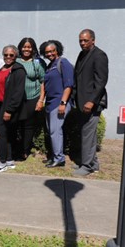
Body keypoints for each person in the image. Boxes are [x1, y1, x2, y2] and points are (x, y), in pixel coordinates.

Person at [72, 29, 108, 176]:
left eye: (85, 40)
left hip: (92, 103)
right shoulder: (83, 54)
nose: (82, 43)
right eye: (80, 40)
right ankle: (93, 163)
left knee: (87, 134)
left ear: (93, 40)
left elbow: (101, 81)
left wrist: (91, 101)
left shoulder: (99, 55)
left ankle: (86, 166)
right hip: (82, 101)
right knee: (89, 134)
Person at [0, 45, 26, 174]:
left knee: (2, 134)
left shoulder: (18, 70)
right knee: (8, 134)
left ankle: (1, 162)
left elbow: (18, 93)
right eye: (6, 55)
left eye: (11, 55)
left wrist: (9, 110)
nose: (8, 57)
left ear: (16, 56)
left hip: (8, 107)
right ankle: (9, 160)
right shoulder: (3, 68)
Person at [36, 40, 73, 168]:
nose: (50, 53)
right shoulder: (51, 65)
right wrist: (42, 100)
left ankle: (59, 159)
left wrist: (63, 103)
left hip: (59, 102)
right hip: (50, 103)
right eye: (47, 52)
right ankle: (54, 157)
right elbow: (45, 85)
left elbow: (69, 85)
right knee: (52, 131)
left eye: (52, 51)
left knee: (55, 131)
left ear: (57, 50)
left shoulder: (63, 62)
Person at [16, 37, 45, 160]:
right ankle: (16, 148)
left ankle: (25, 151)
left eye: (29, 47)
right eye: (24, 46)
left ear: (33, 48)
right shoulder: (15, 61)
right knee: (17, 125)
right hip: (17, 99)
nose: (26, 49)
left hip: (33, 98)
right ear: (20, 48)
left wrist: (40, 100)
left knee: (28, 126)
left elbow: (43, 82)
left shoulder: (38, 62)